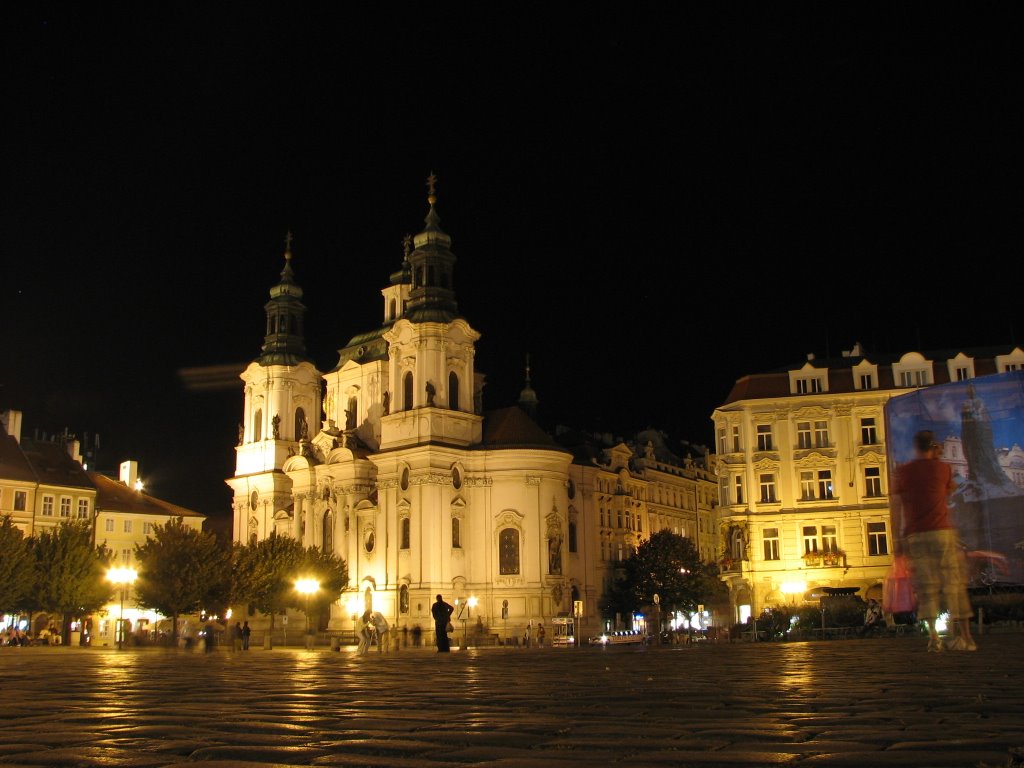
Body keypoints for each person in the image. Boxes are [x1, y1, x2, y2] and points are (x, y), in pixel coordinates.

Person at [890, 430, 977, 652]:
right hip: (942, 531)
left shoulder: (903, 472)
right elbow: (949, 494)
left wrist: (896, 540)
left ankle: (934, 639)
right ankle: (966, 638)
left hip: (915, 534)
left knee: (926, 588)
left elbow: (896, 508)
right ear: (934, 446)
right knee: (953, 583)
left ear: (916, 447)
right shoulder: (943, 468)